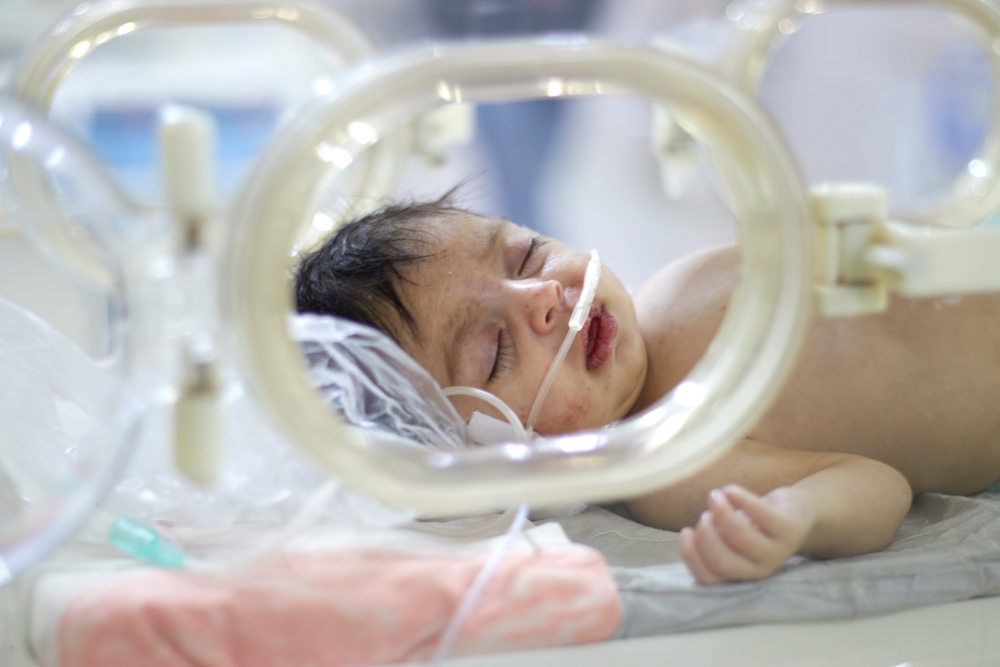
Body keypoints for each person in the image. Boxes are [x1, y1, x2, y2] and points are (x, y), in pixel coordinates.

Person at [294, 195, 1000, 584]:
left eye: (526, 254)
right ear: (490, 447)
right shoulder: (670, 457)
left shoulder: (671, 286)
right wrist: (800, 515)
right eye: (495, 348)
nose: (544, 295)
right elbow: (877, 486)